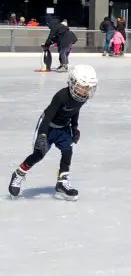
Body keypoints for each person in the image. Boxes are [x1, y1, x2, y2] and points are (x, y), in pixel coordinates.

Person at [8, 65, 98, 199]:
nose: (86, 90)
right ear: (73, 83)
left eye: (89, 87)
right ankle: (19, 173)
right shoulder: (61, 96)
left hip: (64, 127)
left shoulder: (82, 97)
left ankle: (62, 181)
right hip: (48, 126)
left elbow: (74, 112)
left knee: (68, 151)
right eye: (83, 86)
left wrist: (74, 128)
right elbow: (48, 115)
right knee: (39, 154)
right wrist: (42, 135)